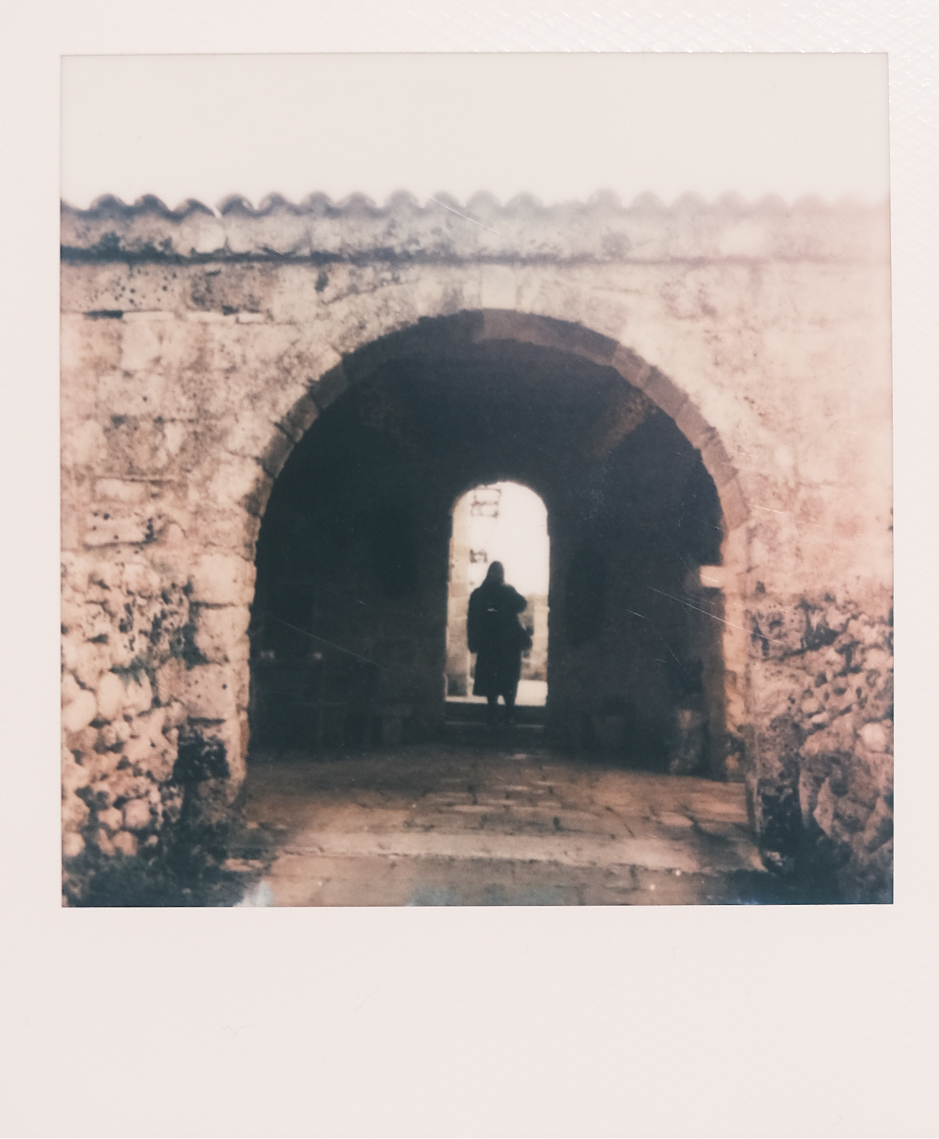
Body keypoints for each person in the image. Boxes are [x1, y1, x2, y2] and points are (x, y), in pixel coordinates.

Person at [467, 561, 531, 725]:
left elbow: (472, 619)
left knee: (491, 681)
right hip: (508, 645)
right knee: (509, 680)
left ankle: (492, 713)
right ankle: (509, 714)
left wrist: (473, 641)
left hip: (488, 645)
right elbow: (522, 604)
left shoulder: (478, 594)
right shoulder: (507, 591)